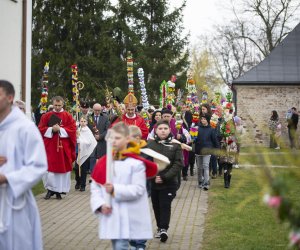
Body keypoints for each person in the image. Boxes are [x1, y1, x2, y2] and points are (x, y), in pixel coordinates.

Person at [90, 122, 157, 250]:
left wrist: (115, 189)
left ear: (127, 139)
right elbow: (96, 186)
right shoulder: (105, 162)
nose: (113, 141)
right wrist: (100, 204)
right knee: (118, 245)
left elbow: (138, 189)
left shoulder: (135, 164)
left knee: (121, 246)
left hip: (129, 214)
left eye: (118, 138)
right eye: (112, 138)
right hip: (112, 214)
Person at [0, 80, 48, 249]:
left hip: (14, 203)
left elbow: (38, 165)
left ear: (10, 98)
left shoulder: (25, 128)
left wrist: (6, 177)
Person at [147, 120, 183, 243]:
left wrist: (165, 177)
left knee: (165, 205)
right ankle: (159, 227)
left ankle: (164, 229)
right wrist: (153, 176)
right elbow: (146, 163)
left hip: (169, 182)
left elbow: (178, 163)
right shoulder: (150, 144)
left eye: (165, 128)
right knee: (156, 206)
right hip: (154, 182)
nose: (163, 130)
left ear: (169, 130)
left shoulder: (175, 145)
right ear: (156, 131)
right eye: (160, 128)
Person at [38, 96, 77, 199]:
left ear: (62, 104)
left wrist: (60, 129)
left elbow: (73, 130)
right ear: (52, 104)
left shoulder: (68, 116)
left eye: (59, 105)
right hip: (50, 147)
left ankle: (59, 190)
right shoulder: (46, 116)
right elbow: (41, 129)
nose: (57, 107)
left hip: (63, 148)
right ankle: (50, 190)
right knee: (49, 169)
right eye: (55, 105)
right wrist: (51, 129)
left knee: (62, 169)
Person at [194, 114, 219, 190]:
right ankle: (200, 181)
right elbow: (194, 138)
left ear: (207, 120)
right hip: (198, 150)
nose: (203, 120)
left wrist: (217, 148)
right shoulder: (197, 128)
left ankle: (206, 183)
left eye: (204, 119)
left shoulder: (211, 129)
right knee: (199, 167)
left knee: (206, 166)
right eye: (202, 119)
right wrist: (193, 137)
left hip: (207, 150)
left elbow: (215, 140)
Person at [75, 116, 97, 191]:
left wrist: (80, 141)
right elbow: (75, 139)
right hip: (78, 151)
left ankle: (83, 185)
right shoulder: (78, 130)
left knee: (83, 169)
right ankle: (78, 181)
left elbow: (90, 142)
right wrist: (77, 138)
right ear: (79, 122)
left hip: (85, 152)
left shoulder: (88, 131)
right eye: (81, 121)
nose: (83, 123)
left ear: (87, 122)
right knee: (77, 168)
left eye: (84, 121)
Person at [88, 103, 110, 173]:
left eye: (99, 110)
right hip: (92, 143)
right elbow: (87, 130)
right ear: (92, 109)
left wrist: (100, 136)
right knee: (92, 160)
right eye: (95, 110)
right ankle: (92, 175)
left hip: (102, 143)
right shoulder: (89, 118)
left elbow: (107, 130)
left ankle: (102, 176)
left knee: (102, 161)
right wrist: (93, 137)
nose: (97, 112)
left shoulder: (105, 117)